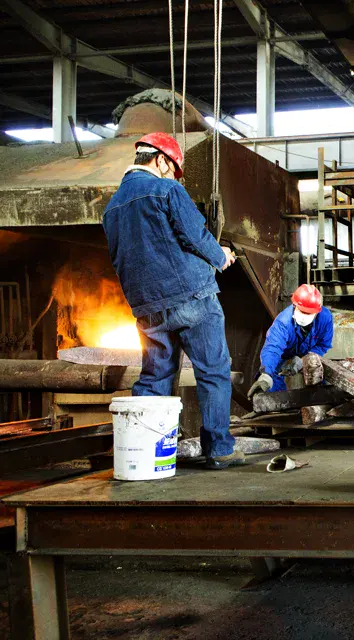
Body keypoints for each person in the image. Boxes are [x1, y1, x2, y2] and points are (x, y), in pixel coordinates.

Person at [103, 132, 243, 470]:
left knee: (154, 378)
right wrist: (219, 256)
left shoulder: (111, 208)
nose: (171, 174)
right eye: (171, 168)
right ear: (161, 160)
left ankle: (148, 451)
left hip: (148, 309)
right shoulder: (167, 190)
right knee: (212, 372)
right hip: (192, 297)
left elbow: (128, 254)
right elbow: (194, 234)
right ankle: (219, 450)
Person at [247, 284, 334, 396]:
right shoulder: (283, 322)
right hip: (284, 355)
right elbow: (273, 348)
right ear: (294, 305)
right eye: (302, 311)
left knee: (319, 377)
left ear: (317, 312)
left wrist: (303, 360)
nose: (304, 315)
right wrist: (266, 374)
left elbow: (323, 345)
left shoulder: (325, 318)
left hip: (309, 354)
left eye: (309, 313)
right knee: (272, 388)